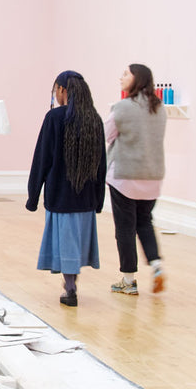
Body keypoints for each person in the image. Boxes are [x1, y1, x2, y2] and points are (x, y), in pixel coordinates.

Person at [26, 70, 106, 307]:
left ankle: (70, 287)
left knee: (66, 244)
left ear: (62, 90)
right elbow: (101, 164)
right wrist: (99, 200)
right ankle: (70, 284)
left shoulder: (54, 118)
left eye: (55, 91)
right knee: (76, 246)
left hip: (61, 197)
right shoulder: (95, 120)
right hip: (86, 199)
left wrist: (33, 197)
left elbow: (42, 159)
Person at [106, 62, 168, 294]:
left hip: (124, 176)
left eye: (125, 74)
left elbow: (106, 134)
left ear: (137, 79)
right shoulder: (159, 108)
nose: (121, 77)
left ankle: (129, 280)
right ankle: (157, 264)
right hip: (152, 177)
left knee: (124, 228)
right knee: (145, 222)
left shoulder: (122, 107)